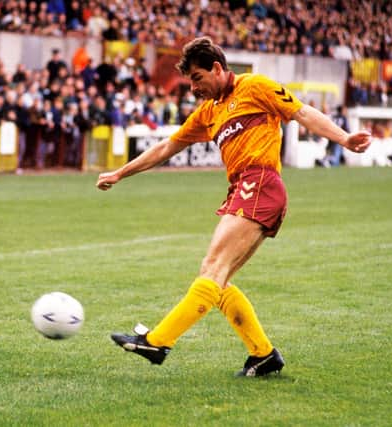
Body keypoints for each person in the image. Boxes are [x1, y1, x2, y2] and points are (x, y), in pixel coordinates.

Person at [96, 37, 371, 377]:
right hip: (244, 188)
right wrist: (121, 172)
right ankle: (263, 354)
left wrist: (343, 138)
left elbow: (301, 112)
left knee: (212, 268)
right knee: (217, 279)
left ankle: (157, 341)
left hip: (261, 183)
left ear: (217, 68)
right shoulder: (208, 112)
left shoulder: (255, 86)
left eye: (198, 78)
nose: (194, 88)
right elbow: (167, 146)